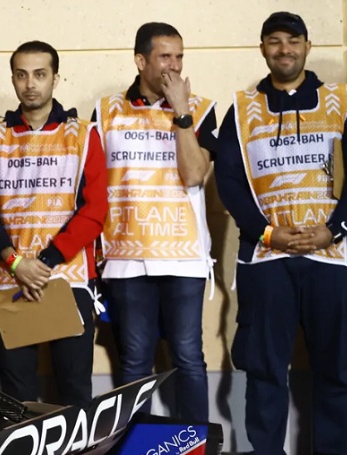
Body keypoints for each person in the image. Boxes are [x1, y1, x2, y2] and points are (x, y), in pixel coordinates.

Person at [216, 11, 347, 455]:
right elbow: (229, 181)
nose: (284, 50)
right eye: (274, 42)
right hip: (267, 258)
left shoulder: (339, 101)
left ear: (307, 46)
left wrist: (334, 229)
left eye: (293, 41)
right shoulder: (243, 108)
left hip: (330, 255)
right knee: (265, 366)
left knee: (334, 362)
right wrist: (265, 232)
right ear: (262, 48)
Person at [0, 40, 108, 407]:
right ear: (13, 79)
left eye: (40, 74)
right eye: (22, 75)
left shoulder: (83, 134)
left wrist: (42, 264)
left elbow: (95, 210)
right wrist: (16, 263)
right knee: (16, 397)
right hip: (8, 279)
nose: (30, 83)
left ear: (55, 79)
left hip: (67, 279)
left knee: (74, 390)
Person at [94, 22, 216, 422]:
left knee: (188, 357)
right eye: (165, 57)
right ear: (140, 60)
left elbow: (195, 174)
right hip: (126, 256)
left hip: (183, 255)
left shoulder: (202, 108)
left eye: (180, 57)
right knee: (134, 362)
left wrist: (182, 113)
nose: (174, 66)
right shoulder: (104, 111)